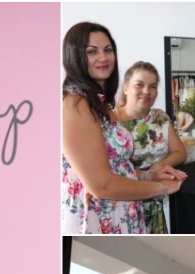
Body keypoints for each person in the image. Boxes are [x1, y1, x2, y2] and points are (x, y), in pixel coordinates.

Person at [61, 22, 187, 234]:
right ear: (74, 57)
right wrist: (161, 188)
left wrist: (149, 176)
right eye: (92, 51)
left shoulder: (97, 105)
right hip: (97, 216)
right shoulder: (76, 104)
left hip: (118, 211)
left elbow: (113, 168)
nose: (103, 57)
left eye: (108, 50)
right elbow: (101, 185)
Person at [115, 61, 188, 234]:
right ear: (126, 88)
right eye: (139, 85)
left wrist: (157, 167)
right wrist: (149, 175)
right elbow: (109, 170)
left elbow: (180, 152)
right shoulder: (110, 122)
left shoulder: (160, 117)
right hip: (123, 203)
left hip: (154, 202)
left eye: (152, 86)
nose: (146, 91)